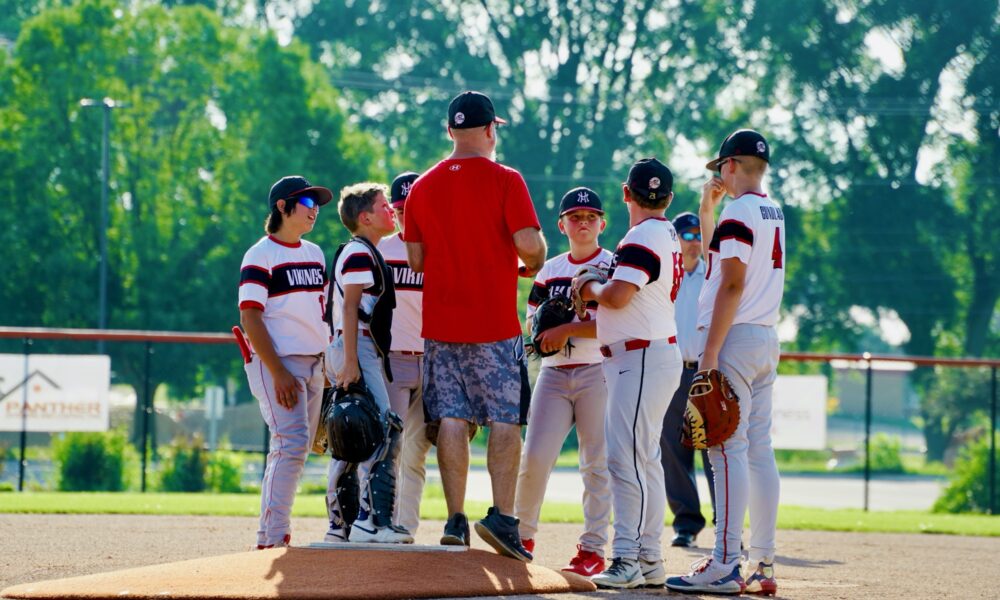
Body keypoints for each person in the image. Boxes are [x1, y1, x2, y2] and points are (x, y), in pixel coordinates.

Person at [404, 91, 546, 561]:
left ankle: (455, 519)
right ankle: (502, 517)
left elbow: (416, 260)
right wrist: (532, 262)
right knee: (505, 419)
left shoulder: (421, 187)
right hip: (494, 324)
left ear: (450, 131)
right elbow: (530, 247)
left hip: (441, 324)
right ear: (490, 130)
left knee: (451, 418)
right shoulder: (507, 179)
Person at [666, 129, 784, 596]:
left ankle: (725, 563)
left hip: (734, 338)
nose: (720, 174)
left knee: (724, 448)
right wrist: (706, 211)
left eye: (721, 167)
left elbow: (731, 283)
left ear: (731, 165)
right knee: (758, 449)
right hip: (765, 337)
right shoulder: (770, 210)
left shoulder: (740, 213)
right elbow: (724, 263)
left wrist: (710, 354)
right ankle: (763, 563)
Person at [574, 158, 683, 589]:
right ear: (668, 198)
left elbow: (617, 297)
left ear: (625, 193)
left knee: (626, 460)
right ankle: (649, 557)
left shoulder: (641, 235)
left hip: (640, 357)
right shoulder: (666, 231)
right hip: (649, 355)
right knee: (644, 461)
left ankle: (627, 557)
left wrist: (589, 287)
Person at [514, 187, 613, 577]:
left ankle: (592, 548)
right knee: (535, 457)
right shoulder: (550, 270)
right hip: (554, 373)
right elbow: (532, 322)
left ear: (602, 223)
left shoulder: (611, 265)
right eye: (575, 217)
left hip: (598, 370)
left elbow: (618, 322)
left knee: (596, 463)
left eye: (590, 217)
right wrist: (543, 334)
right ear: (561, 225)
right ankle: (522, 536)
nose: (583, 222)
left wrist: (568, 328)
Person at [239, 175, 333, 549]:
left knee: (298, 446)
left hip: (314, 362)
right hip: (277, 361)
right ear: (282, 206)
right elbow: (250, 316)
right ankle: (275, 533)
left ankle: (269, 534)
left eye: (317, 205)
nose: (315, 210)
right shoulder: (260, 254)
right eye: (307, 203)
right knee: (290, 443)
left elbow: (322, 312)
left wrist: (328, 363)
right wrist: (277, 371)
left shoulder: (315, 254)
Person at [324, 182, 413, 544]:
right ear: (365, 218)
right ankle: (371, 521)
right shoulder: (360, 253)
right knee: (381, 429)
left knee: (349, 430)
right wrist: (350, 362)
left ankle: (339, 525)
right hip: (356, 345)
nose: (391, 210)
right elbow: (350, 308)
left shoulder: (359, 250)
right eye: (383, 206)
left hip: (350, 345)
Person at [377, 171, 432, 535]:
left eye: (413, 209)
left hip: (431, 359)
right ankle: (382, 522)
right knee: (388, 446)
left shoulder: (440, 247)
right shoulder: (381, 250)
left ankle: (407, 527)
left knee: (417, 450)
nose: (406, 216)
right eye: (400, 210)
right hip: (393, 359)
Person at [658, 212, 717, 548]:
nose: (694, 241)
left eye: (699, 235)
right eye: (687, 235)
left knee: (715, 450)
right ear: (675, 239)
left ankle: (726, 525)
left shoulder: (714, 275)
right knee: (673, 450)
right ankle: (686, 524)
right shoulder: (666, 274)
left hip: (707, 370)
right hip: (672, 370)